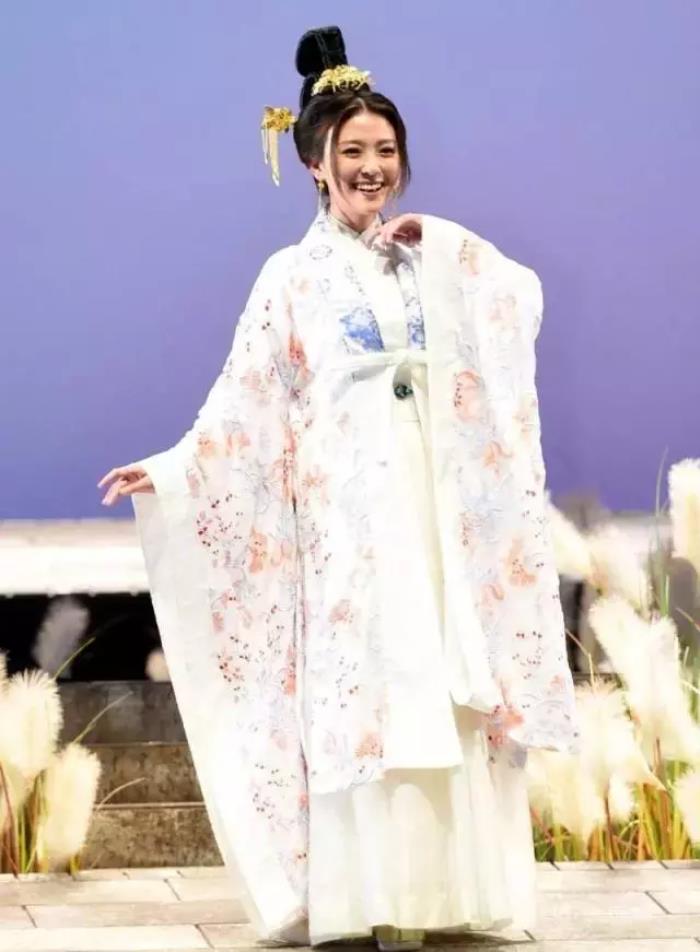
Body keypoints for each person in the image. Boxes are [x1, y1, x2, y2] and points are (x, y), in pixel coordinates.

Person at [98, 25, 578, 950]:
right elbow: (244, 400)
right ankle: (366, 896)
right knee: (375, 688)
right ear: (314, 164)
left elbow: (519, 298)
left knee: (443, 672)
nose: (372, 168)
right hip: (351, 528)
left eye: (385, 150)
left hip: (430, 509)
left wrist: (446, 245)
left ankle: (451, 892)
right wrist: (175, 469)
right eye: (352, 151)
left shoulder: (422, 257)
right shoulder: (291, 278)